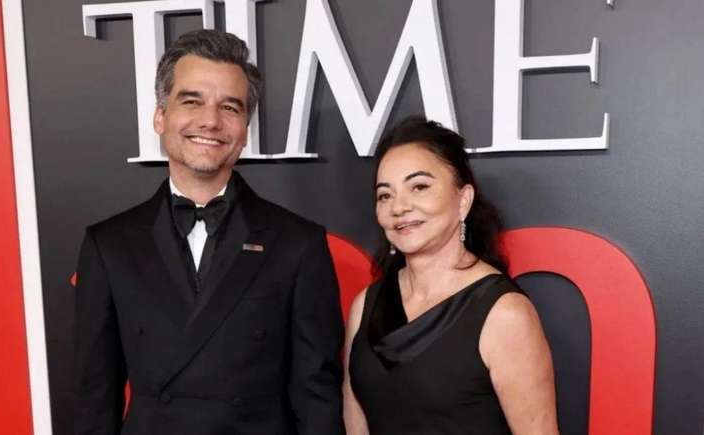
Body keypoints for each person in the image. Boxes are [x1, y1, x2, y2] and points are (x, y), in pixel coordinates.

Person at [73, 29, 345, 435]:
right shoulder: (109, 245)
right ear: (160, 116)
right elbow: (94, 400)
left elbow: (317, 396)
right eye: (192, 101)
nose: (210, 121)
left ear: (245, 128)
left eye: (230, 107)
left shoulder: (297, 243)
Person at [343, 117, 559, 435]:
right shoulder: (366, 305)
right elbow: (355, 422)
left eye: (419, 187)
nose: (398, 207)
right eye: (385, 195)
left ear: (463, 200)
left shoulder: (504, 313)